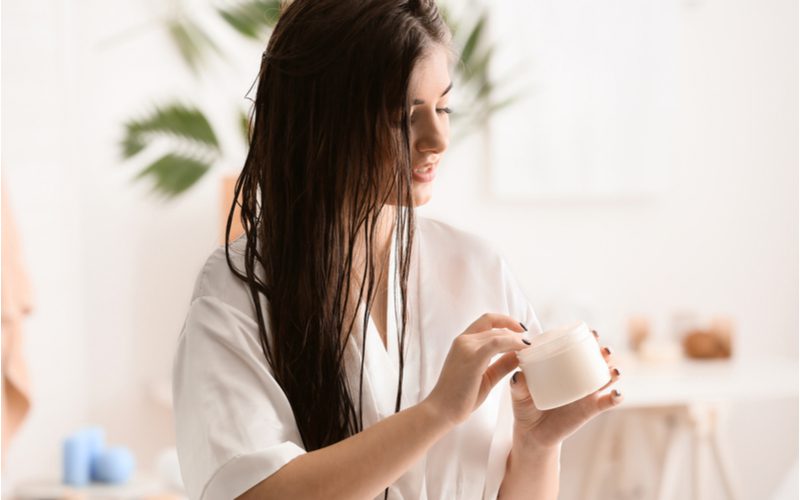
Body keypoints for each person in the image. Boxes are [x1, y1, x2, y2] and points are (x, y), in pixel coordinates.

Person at [172, 1, 623, 499]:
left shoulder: (477, 269)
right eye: (402, 117)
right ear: (323, 121)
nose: (438, 139)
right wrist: (437, 413)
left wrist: (537, 446)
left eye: (443, 107)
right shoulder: (237, 293)